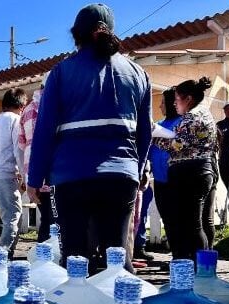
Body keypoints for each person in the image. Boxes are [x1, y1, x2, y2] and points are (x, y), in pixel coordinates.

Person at [28, 4, 152, 272]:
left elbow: (44, 130)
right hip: (121, 177)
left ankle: (80, 298)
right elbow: (145, 133)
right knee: (117, 257)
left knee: (75, 258)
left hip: (72, 177)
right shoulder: (138, 74)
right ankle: (122, 297)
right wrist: (138, 169)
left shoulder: (62, 73)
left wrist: (35, 179)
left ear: (77, 34)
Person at [156, 78, 218, 260]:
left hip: (190, 173)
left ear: (188, 99)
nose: (174, 103)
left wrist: (154, 137)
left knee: (193, 225)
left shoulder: (192, 117)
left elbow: (177, 145)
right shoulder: (204, 113)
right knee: (195, 224)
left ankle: (200, 270)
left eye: (177, 99)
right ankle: (201, 268)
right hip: (201, 171)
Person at [0, 88, 28, 258]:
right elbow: (18, 150)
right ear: (21, 106)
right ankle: (1, 256)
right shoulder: (15, 119)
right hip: (4, 173)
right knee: (12, 216)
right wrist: (24, 175)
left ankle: (8, 253)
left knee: (12, 215)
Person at [18, 75, 56, 243]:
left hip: (33, 174)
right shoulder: (50, 108)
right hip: (49, 173)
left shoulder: (27, 110)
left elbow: (21, 143)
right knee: (53, 221)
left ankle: (44, 254)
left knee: (47, 218)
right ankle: (49, 255)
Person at [146, 89, 182, 250]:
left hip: (178, 179)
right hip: (160, 181)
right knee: (167, 218)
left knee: (179, 218)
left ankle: (184, 254)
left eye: (162, 102)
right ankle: (175, 252)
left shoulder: (182, 123)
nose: (160, 106)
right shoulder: (158, 125)